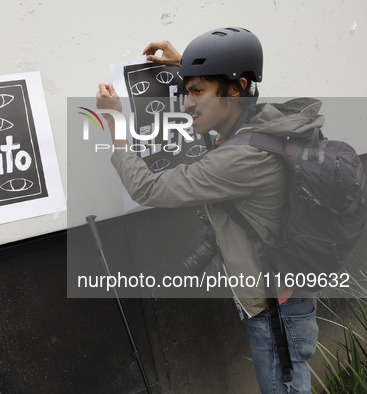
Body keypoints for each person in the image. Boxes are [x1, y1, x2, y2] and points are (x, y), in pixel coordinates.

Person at [96, 27, 319, 393]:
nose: (186, 103)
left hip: (274, 310)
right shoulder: (262, 121)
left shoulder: (240, 158)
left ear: (236, 89)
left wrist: (117, 124)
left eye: (197, 91)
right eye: (186, 91)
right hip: (288, 291)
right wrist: (188, 66)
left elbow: (147, 188)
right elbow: (223, 98)